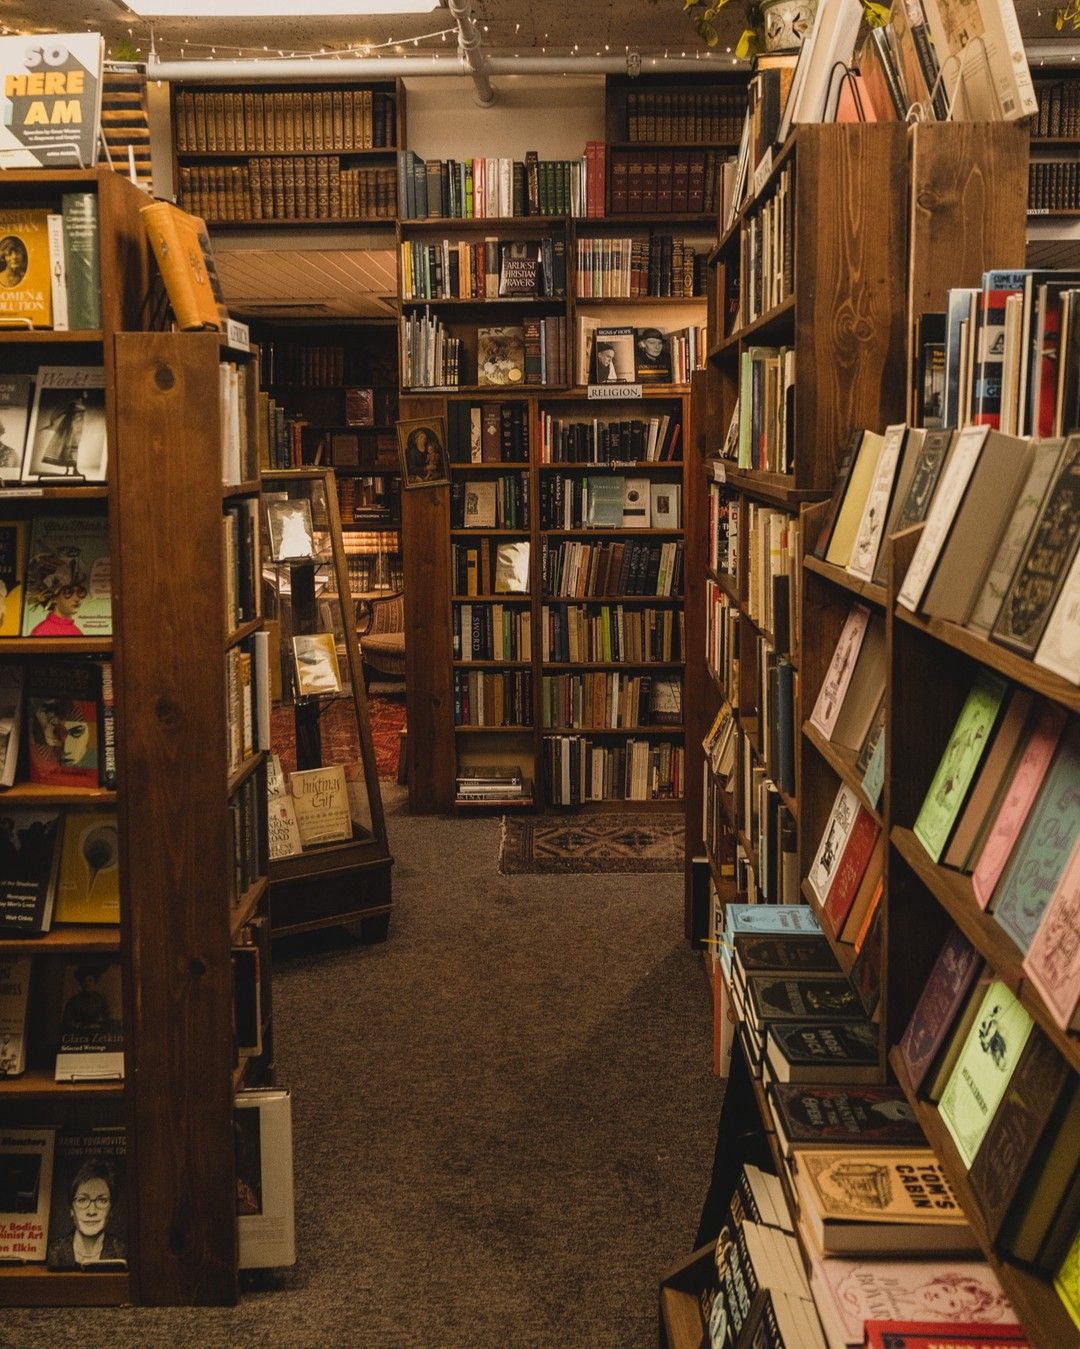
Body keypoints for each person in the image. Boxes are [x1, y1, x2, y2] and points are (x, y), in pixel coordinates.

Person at [46, 1160, 126, 1269]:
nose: (91, 1211)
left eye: (102, 1200)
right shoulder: (55, 1252)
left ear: (111, 1209)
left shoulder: (122, 1252)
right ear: (71, 1209)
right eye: (82, 1200)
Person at [26, 549, 89, 637]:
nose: (77, 598)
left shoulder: (77, 632)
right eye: (68, 592)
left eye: (80, 591)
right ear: (53, 597)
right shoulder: (41, 632)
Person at [38, 396, 87, 473]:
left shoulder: (81, 404)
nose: (86, 394)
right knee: (68, 449)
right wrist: (53, 422)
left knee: (74, 450)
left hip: (77, 429)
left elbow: (80, 418)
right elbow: (65, 412)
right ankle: (69, 469)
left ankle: (74, 469)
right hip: (71, 430)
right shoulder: (73, 403)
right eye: (84, 392)